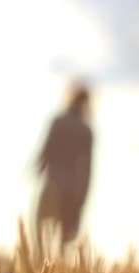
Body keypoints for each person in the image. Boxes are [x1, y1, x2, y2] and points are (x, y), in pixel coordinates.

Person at [35, 83, 93, 260]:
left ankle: (39, 264)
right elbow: (87, 169)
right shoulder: (86, 131)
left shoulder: (58, 122)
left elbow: (45, 152)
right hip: (72, 191)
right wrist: (82, 197)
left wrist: (38, 168)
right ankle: (58, 272)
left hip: (53, 184)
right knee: (64, 238)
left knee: (39, 225)